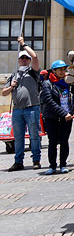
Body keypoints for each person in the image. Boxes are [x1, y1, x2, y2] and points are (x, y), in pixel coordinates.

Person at [2, 36, 42, 171]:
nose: (24, 60)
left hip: (32, 108)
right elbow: (4, 92)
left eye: (26, 58)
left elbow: (35, 56)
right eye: (22, 58)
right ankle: (18, 161)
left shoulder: (33, 71)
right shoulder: (14, 74)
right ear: (18, 60)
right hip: (18, 109)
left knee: (34, 136)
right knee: (18, 137)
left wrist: (23, 44)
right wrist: (12, 86)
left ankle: (36, 159)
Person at [40, 60, 74, 174]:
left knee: (64, 141)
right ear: (53, 71)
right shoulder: (47, 84)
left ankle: (63, 164)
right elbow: (49, 101)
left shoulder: (67, 83)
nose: (62, 72)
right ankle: (52, 166)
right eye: (60, 70)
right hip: (52, 118)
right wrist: (63, 113)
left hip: (67, 118)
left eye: (64, 69)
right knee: (53, 142)